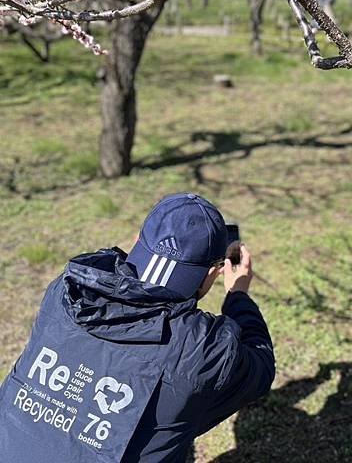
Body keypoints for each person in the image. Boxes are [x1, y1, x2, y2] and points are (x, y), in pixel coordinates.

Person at [0, 192, 275, 462]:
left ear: (136, 243)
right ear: (211, 273)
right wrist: (238, 295)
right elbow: (260, 367)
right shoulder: (202, 351)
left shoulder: (68, 289)